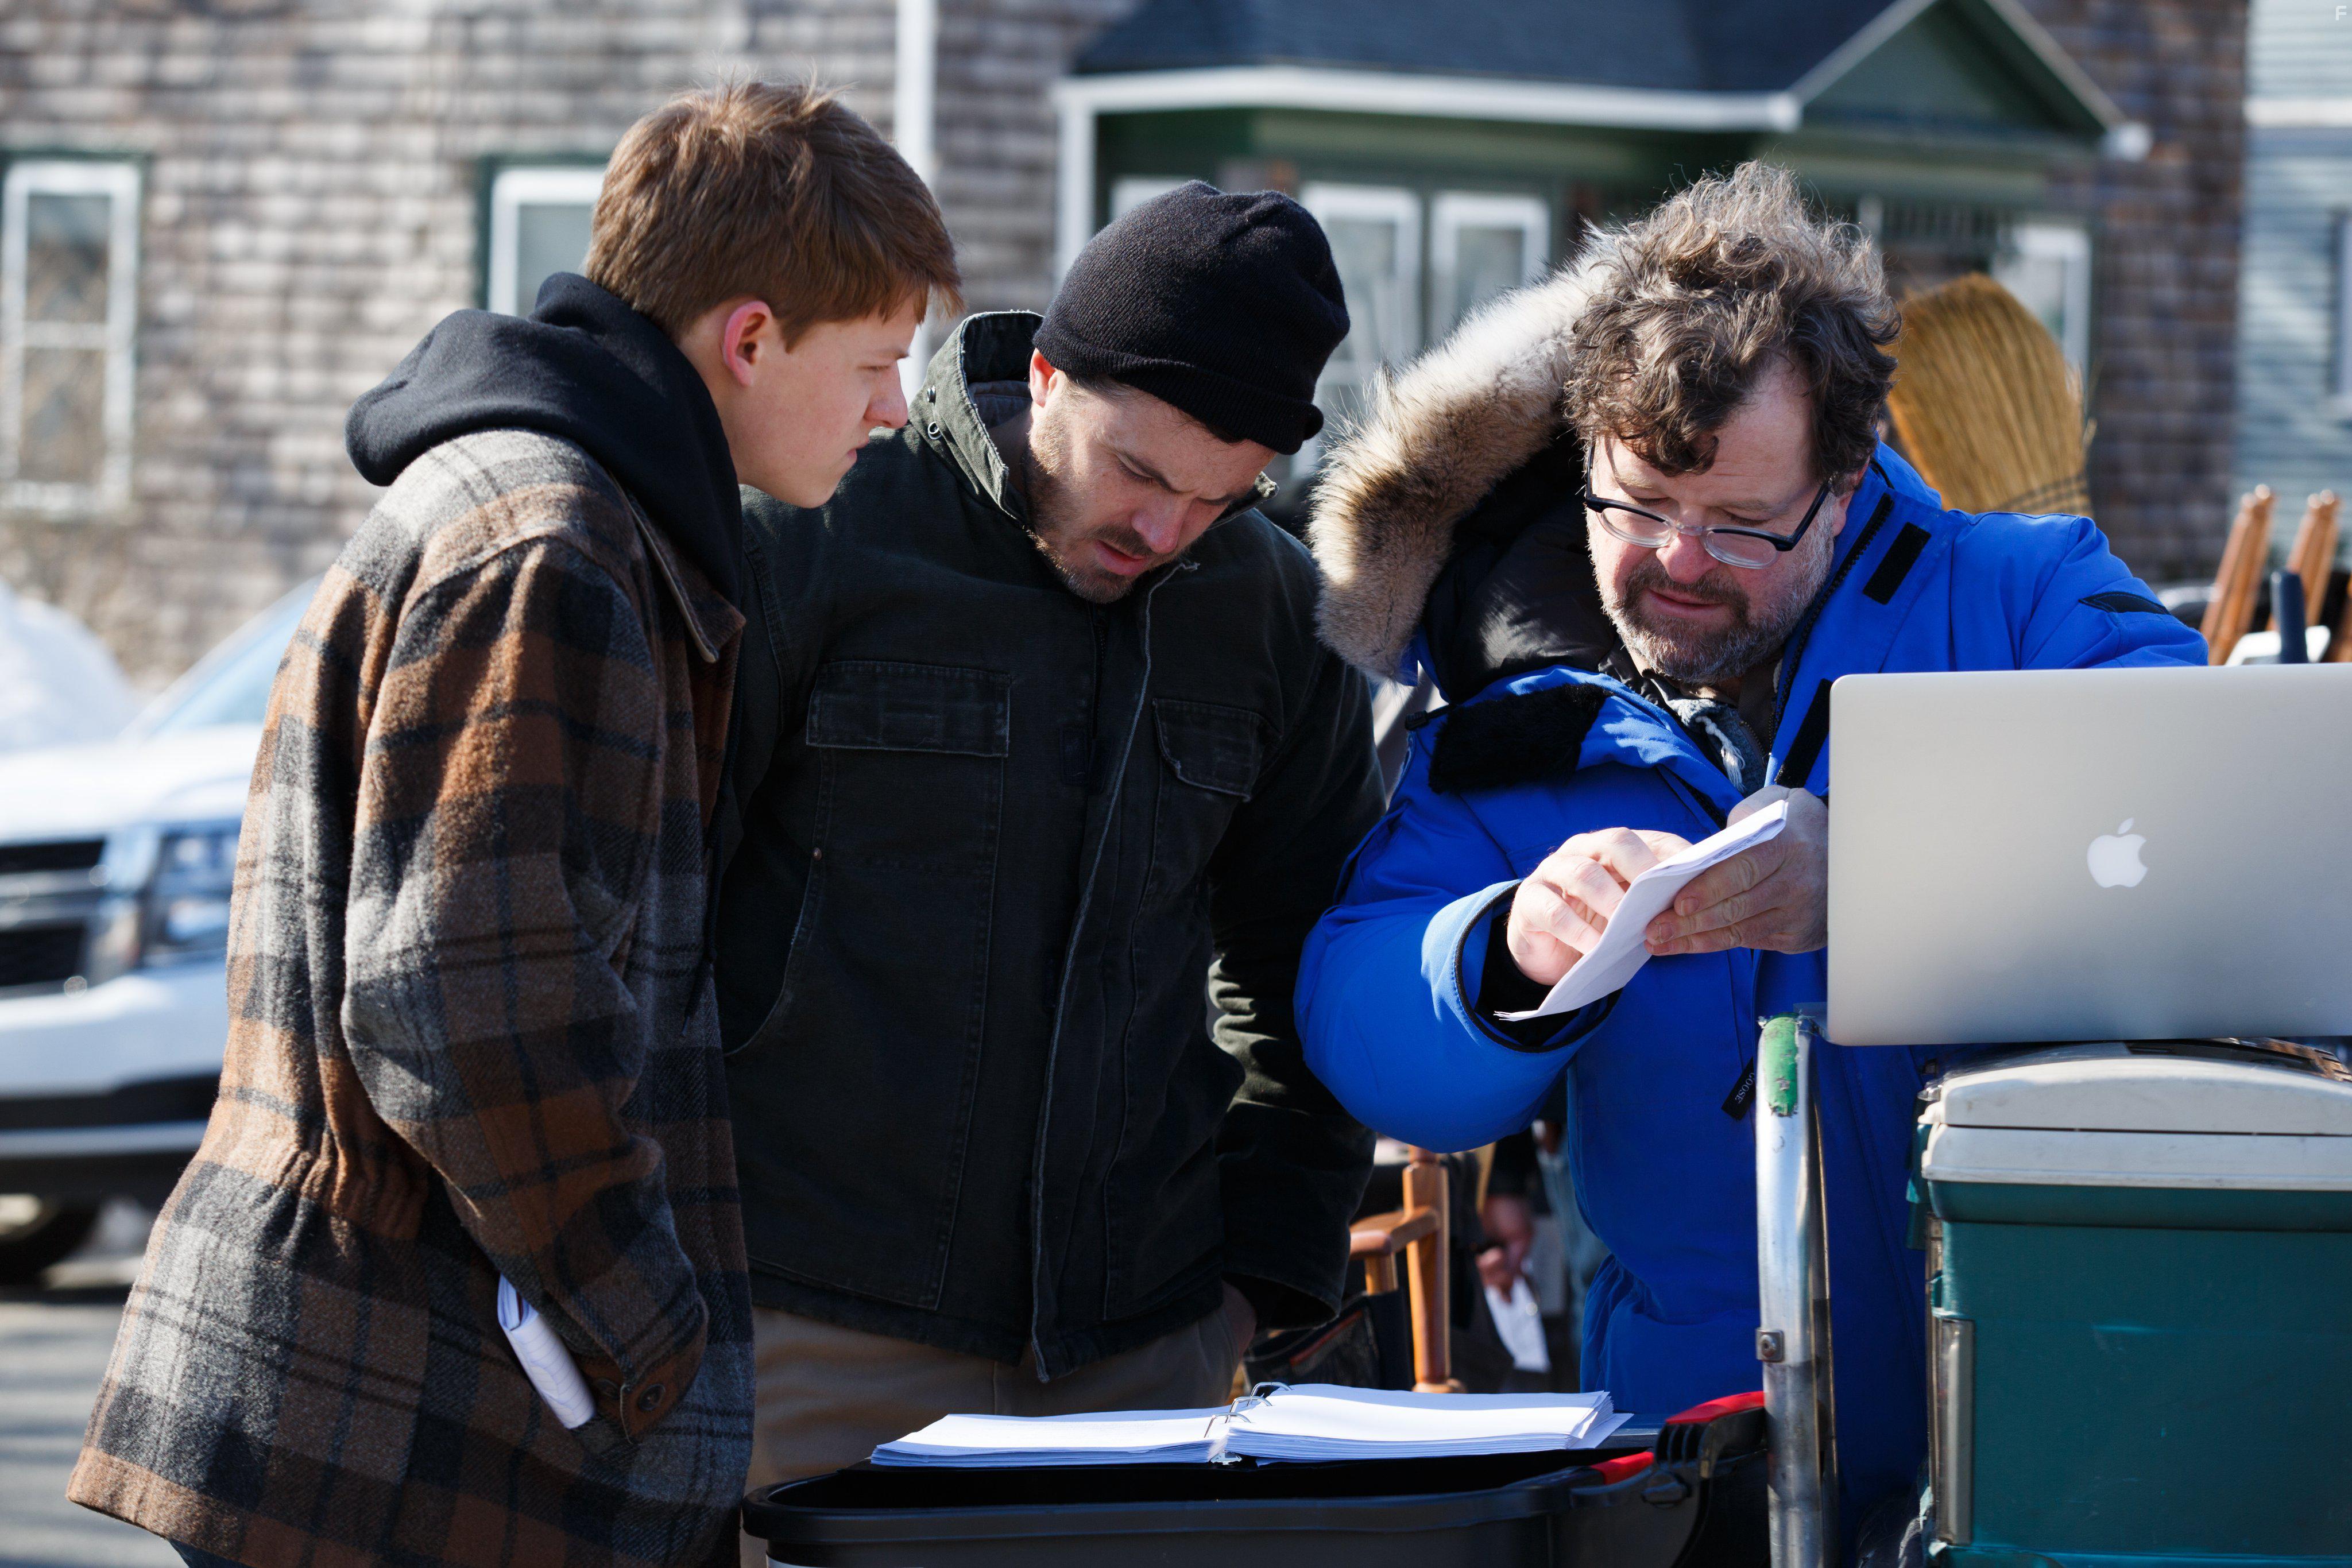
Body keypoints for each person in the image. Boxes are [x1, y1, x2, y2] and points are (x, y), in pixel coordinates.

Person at [69, 82, 958, 1568]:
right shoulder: (557, 546)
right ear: (750, 340)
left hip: (409, 1409)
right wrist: (653, 1337)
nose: (892, 407)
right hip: (404, 1435)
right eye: (876, 361)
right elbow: (456, 1007)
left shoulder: (571, 513)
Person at [1295, 162, 2203, 1539]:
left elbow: (2220, 848)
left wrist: (1888, 877)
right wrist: (1499, 956)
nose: (1675, 561)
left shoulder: (2026, 602)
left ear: (1841, 484)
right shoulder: (1515, 721)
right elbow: (1359, 1026)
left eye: (1737, 525)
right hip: (1689, 1479)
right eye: (1634, 504)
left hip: (2045, 1455)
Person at [714, 182, 1382, 1518]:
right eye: (1135, 472)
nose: (1161, 532)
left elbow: (1309, 973)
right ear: (1044, 374)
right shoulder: (814, 533)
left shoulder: (1273, 617)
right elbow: (654, 914)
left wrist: (1257, 1284)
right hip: (805, 1337)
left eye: (1217, 499)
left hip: (1149, 1356)